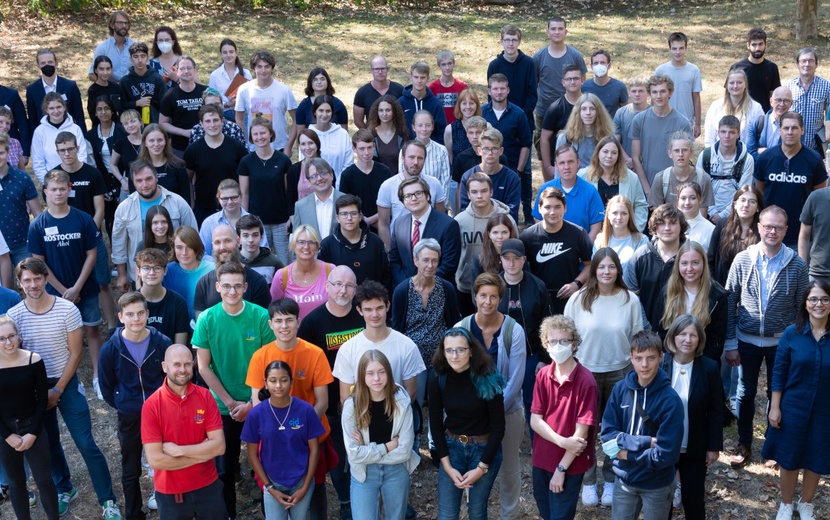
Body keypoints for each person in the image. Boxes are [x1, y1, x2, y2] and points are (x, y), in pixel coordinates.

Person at [8, 258, 123, 519]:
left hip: (66, 383)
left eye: (38, 278)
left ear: (46, 279)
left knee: (85, 442)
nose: (33, 284)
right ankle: (64, 488)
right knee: (49, 445)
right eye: (27, 280)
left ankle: (107, 500)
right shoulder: (15, 316)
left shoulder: (66, 309)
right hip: (33, 390)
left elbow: (75, 354)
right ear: (19, 283)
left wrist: (58, 390)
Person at [725, 205, 808, 470]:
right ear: (758, 227)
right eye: (767, 226)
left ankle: (773, 445)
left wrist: (795, 345)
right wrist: (730, 343)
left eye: (778, 227)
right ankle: (744, 443)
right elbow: (730, 302)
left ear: (786, 230)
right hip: (746, 340)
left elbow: (801, 309)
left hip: (781, 344)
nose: (772, 231)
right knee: (745, 392)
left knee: (777, 394)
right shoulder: (742, 259)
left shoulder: (797, 265)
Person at [192, 261, 275, 520]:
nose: (232, 291)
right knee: (224, 469)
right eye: (226, 286)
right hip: (222, 406)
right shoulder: (207, 318)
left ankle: (269, 512)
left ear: (245, 287)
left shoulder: (261, 316)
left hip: (259, 403)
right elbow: (203, 367)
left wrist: (251, 404)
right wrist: (230, 403)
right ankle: (227, 514)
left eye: (237, 286)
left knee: (265, 464)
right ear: (217, 287)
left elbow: (270, 366)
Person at [564, 248, 643, 507]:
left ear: (618, 269)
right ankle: (588, 481)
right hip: (586, 373)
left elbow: (637, 339)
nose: (606, 272)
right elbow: (566, 337)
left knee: (613, 430)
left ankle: (610, 479)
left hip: (620, 372)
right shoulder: (578, 299)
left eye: (611, 267)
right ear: (594, 270)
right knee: (585, 430)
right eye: (601, 267)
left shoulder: (629, 300)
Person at [245, 299, 333, 519]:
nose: (284, 326)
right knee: (272, 489)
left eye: (289, 320)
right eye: (279, 321)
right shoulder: (260, 357)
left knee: (315, 486)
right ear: (270, 324)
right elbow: (257, 403)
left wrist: (303, 430)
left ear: (298, 322)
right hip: (273, 439)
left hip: (310, 435)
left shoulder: (315, 353)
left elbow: (322, 401)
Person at [297, 266, 366, 520]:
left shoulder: (363, 316)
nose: (343, 290)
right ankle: (346, 500)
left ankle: (369, 495)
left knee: (367, 447)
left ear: (355, 290)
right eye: (338, 284)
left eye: (349, 286)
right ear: (327, 286)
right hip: (330, 403)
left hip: (366, 398)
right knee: (338, 454)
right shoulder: (313, 323)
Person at [28, 170, 105, 391]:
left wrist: (77, 287)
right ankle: (71, 380)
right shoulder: (38, 225)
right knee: (62, 337)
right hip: (54, 292)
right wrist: (64, 291)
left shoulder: (83, 219)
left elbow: (92, 254)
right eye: (54, 189)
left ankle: (98, 377)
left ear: (69, 190)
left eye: (63, 188)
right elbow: (38, 263)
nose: (58, 193)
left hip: (85, 287)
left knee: (91, 330)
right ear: (45, 192)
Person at [98, 292, 172, 520]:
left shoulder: (162, 343)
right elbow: (106, 384)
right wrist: (123, 403)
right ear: (120, 317)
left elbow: (171, 379)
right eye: (130, 314)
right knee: (130, 468)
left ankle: (168, 505)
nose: (136, 319)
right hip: (129, 415)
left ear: (148, 314)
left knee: (164, 460)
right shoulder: (111, 349)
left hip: (160, 413)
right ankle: (133, 513)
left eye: (141, 313)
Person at [458, 273, 526, 519]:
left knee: (509, 468)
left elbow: (516, 379)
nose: (488, 301)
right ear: (474, 297)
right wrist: (475, 413)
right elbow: (456, 378)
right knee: (473, 467)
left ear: (500, 298)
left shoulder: (513, 331)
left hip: (508, 411)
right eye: (483, 295)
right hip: (471, 416)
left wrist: (494, 414)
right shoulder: (461, 329)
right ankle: (475, 513)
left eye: (493, 296)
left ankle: (509, 515)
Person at [599, 330, 683, 519]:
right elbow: (607, 439)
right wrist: (646, 442)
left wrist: (625, 452)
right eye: (638, 358)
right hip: (624, 481)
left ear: (661, 357)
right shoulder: (620, 389)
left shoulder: (670, 401)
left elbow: (665, 455)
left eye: (650, 358)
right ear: (631, 358)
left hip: (657, 485)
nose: (644, 365)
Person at [764, 281, 829, 519]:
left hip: (825, 408)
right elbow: (778, 374)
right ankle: (786, 504)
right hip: (793, 406)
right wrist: (775, 406)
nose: (818, 304)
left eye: (824, 299)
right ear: (805, 303)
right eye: (813, 299)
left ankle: (806, 504)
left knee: (816, 456)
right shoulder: (792, 333)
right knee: (789, 457)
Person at [140, 344, 227, 520]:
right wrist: (202, 453)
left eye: (187, 364)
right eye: (177, 364)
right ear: (165, 367)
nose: (183, 370)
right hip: (171, 492)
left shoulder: (205, 396)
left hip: (208, 486)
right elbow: (156, 460)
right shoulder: (151, 405)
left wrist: (181, 451)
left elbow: (219, 447)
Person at [428, 327, 505, 520]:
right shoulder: (438, 378)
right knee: (447, 514)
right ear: (443, 352)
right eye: (449, 350)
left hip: (483, 449)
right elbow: (436, 426)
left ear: (471, 351)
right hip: (452, 448)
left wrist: (481, 468)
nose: (454, 356)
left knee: (477, 512)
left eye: (460, 350)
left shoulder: (488, 378)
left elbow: (498, 428)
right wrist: (447, 466)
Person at [530, 315, 598, 519]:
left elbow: (580, 437)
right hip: (541, 459)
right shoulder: (543, 375)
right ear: (545, 344)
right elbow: (535, 420)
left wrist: (561, 469)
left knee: (560, 516)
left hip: (568, 465)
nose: (558, 346)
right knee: (546, 513)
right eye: (553, 341)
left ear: (574, 344)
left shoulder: (586, 382)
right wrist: (561, 440)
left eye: (564, 341)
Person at [54, 131, 118, 338]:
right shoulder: (55, 176)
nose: (67, 153)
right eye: (62, 150)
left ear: (77, 148)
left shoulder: (91, 173)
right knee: (72, 284)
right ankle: (75, 329)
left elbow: (99, 209)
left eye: (70, 148)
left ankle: (112, 324)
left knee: (103, 282)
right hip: (66, 242)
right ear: (57, 152)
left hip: (92, 239)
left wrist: (89, 235)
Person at [342, 349, 420, 520]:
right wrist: (389, 446)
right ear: (362, 376)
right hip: (364, 472)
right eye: (370, 373)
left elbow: (405, 450)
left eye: (381, 372)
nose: (376, 378)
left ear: (388, 372)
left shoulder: (401, 399)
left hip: (396, 470)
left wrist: (367, 450)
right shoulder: (352, 405)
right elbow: (354, 455)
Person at [243, 360, 324, 520]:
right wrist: (270, 488)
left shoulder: (306, 410)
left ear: (291, 382)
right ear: (265, 383)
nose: (278, 385)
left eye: (284, 380)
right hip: (272, 481)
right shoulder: (256, 414)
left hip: (301, 481)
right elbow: (252, 455)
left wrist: (305, 486)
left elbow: (315, 450)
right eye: (273, 380)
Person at [660, 315, 723, 518]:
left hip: (695, 446)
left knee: (694, 499)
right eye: (682, 334)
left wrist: (714, 446)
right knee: (662, 499)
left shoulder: (710, 368)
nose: (687, 339)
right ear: (673, 337)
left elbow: (716, 410)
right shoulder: (660, 365)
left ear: (699, 340)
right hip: (662, 446)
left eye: (693, 335)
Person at [0, 316, 59, 520]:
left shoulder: (33, 359)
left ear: (18, 336)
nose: (8, 342)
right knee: (16, 483)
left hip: (32, 427)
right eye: (1, 338)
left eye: (11, 336)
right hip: (5, 432)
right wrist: (7, 435)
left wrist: (33, 433)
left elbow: (42, 398)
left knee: (44, 480)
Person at [391, 239, 461, 406]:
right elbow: (397, 329)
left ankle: (437, 432)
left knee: (441, 402)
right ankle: (415, 431)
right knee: (414, 401)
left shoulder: (446, 288)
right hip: (414, 359)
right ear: (416, 261)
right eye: (425, 260)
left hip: (440, 357)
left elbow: (454, 324)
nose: (430, 265)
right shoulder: (402, 291)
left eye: (434, 260)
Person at [112, 160, 197, 292]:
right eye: (139, 181)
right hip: (140, 277)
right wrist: (122, 275)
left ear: (156, 177)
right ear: (133, 182)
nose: (144, 185)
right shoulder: (124, 208)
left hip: (177, 276)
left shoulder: (177, 202)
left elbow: (193, 236)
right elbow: (119, 244)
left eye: (148, 179)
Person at [755, 111, 827, 249]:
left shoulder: (814, 160)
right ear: (780, 130)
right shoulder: (766, 158)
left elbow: (819, 198)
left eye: (794, 128)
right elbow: (760, 192)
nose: (790, 132)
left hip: (801, 235)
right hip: (770, 232)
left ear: (802, 130)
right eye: (786, 128)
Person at [522, 186, 593, 314]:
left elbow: (590, 265)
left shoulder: (578, 234)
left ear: (565, 208)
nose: (552, 212)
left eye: (557, 207)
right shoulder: (528, 236)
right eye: (547, 207)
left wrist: (576, 284)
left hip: (569, 300)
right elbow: (519, 267)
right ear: (539, 208)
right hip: (537, 300)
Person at [655, 241, 728, 364]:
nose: (689, 269)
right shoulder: (667, 293)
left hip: (704, 362)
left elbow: (716, 340)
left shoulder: (717, 296)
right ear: (678, 265)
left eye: (695, 263)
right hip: (671, 361)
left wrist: (703, 367)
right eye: (684, 263)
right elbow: (661, 332)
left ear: (704, 264)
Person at [455, 172, 516, 313]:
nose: (479, 196)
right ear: (468, 194)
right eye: (474, 192)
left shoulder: (506, 219)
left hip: (501, 286)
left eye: (484, 191)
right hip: (465, 285)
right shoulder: (459, 221)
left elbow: (515, 249)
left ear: (491, 192)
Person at [623, 204, 688, 330]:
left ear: (681, 226)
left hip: (684, 335)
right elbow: (631, 296)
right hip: (647, 334)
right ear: (654, 227)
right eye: (662, 223)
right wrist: (646, 328)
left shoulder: (691, 256)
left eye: (673, 223)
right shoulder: (640, 257)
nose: (667, 228)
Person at [238, 116, 292, 264]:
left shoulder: (283, 160)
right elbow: (244, 193)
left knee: (283, 262)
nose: (259, 137)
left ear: (271, 134)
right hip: (257, 222)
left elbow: (289, 192)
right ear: (251, 137)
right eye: (255, 134)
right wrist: (245, 219)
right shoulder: (246, 162)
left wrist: (290, 217)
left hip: (281, 221)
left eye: (263, 133)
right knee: (258, 261)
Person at [389, 176, 461, 287]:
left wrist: (421, 284)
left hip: (437, 290)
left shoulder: (448, 225)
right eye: (407, 196)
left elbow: (449, 265)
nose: (413, 198)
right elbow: (395, 261)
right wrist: (408, 285)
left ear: (427, 196)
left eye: (418, 193)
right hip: (405, 289)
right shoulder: (399, 224)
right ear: (403, 201)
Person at [376, 140, 447, 250]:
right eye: (411, 157)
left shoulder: (434, 184)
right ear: (403, 158)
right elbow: (383, 224)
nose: (415, 162)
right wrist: (389, 253)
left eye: (420, 158)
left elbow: (441, 219)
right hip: (399, 246)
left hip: (429, 247)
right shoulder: (388, 186)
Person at [185, 104, 249, 225]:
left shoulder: (237, 147)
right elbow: (187, 180)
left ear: (222, 121)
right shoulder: (193, 150)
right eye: (208, 121)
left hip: (232, 209)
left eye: (215, 120)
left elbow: (245, 183)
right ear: (201, 123)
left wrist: (243, 210)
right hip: (203, 210)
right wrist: (193, 206)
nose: (212, 125)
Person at [532, 16, 587, 156]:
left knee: (573, 151)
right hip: (544, 111)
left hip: (571, 111)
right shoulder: (539, 57)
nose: (557, 32)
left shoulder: (575, 55)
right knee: (544, 151)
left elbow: (582, 80)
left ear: (566, 32)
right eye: (553, 29)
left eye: (560, 29)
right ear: (547, 32)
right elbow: (533, 83)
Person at [630, 74, 693, 195]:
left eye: (663, 91)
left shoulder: (682, 122)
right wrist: (648, 190)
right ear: (649, 94)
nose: (658, 96)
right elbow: (635, 158)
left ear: (671, 92)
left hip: (674, 188)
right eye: (655, 92)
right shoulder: (639, 120)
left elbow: (685, 157)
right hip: (646, 185)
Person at [482, 74, 532, 221]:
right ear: (489, 91)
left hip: (511, 168)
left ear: (508, 90)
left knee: (510, 210)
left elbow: (526, 144)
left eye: (502, 88)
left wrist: (519, 170)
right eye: (495, 89)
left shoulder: (518, 114)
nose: (499, 92)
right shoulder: (482, 113)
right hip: (488, 168)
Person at [192, 224, 272, 317]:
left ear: (238, 241)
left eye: (227, 241)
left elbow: (261, 321)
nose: (222, 247)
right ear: (212, 245)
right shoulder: (204, 283)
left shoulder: (257, 282)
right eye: (217, 242)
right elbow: (201, 322)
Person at [532, 145, 604, 240]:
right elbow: (538, 218)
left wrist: (585, 248)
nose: (567, 167)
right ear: (556, 166)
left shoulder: (590, 191)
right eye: (562, 163)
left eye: (570, 162)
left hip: (580, 248)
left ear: (578, 163)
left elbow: (596, 227)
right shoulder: (546, 189)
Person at [319, 194, 390, 287]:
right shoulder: (327, 245)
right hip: (339, 299)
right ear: (337, 218)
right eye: (344, 214)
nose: (349, 218)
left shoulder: (376, 242)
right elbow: (322, 280)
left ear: (360, 216)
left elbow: (386, 276)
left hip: (371, 299)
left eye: (353, 213)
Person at [578, 137, 647, 230]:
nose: (609, 156)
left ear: (619, 155)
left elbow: (641, 205)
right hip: (592, 233)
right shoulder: (583, 175)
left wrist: (635, 229)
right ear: (598, 153)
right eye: (605, 151)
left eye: (614, 153)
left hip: (623, 233)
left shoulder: (631, 177)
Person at [235, 50, 298, 152]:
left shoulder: (284, 90)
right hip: (254, 148)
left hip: (279, 147)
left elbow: (296, 119)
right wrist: (246, 142)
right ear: (254, 68)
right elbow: (239, 119)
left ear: (272, 68)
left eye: (267, 66)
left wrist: (289, 147)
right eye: (259, 66)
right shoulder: (244, 90)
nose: (263, 70)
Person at [270, 225, 336, 320]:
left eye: (311, 242)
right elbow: (273, 311)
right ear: (293, 245)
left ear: (317, 246)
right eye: (301, 242)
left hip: (324, 332)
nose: (306, 247)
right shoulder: (281, 276)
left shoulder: (330, 270)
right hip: (294, 334)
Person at [698, 115, 755, 224]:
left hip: (735, 213)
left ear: (738, 134)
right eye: (723, 132)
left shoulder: (747, 160)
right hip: (706, 212)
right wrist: (712, 211)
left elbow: (743, 192)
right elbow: (700, 187)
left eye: (732, 132)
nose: (727, 136)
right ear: (718, 132)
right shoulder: (706, 156)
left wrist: (723, 215)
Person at [458, 128, 521, 222]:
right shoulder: (468, 177)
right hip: (474, 226)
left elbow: (511, 212)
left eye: (494, 148)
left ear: (501, 151)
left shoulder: (512, 179)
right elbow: (464, 210)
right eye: (486, 149)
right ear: (479, 150)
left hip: (501, 228)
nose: (490, 153)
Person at [487, 24, 537, 141]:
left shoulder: (529, 63)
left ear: (519, 42)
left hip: (524, 119)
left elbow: (532, 95)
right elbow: (491, 94)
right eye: (507, 40)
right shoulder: (494, 65)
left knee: (523, 157)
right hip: (499, 120)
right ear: (501, 42)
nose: (510, 44)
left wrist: (520, 116)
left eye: (514, 40)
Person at [647, 131, 714, 216]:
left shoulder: (703, 179)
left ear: (691, 152)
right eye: (676, 151)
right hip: (669, 226)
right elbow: (657, 215)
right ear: (670, 153)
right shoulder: (661, 178)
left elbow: (703, 215)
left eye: (684, 150)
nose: (681, 154)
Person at [0, 133, 42, 268]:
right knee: (5, 288)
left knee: (32, 284)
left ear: (7, 152)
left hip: (22, 243)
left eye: (0, 152)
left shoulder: (22, 177)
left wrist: (40, 240)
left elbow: (37, 212)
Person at [132, 248, 189, 344]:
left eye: (157, 268)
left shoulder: (178, 302)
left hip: (170, 356)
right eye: (146, 268)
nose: (152, 273)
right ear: (139, 272)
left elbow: (180, 345)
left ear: (165, 271)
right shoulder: (129, 303)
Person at [88, 96, 126, 239]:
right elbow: (92, 164)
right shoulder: (90, 135)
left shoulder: (122, 131)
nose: (103, 112)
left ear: (112, 111)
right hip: (102, 181)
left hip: (123, 179)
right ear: (95, 113)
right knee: (110, 221)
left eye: (106, 108)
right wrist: (102, 188)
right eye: (99, 109)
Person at [339, 129, 393, 231]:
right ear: (354, 149)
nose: (366, 152)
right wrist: (362, 220)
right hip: (357, 227)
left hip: (383, 225)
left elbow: (391, 202)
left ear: (374, 146)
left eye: (369, 148)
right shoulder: (347, 175)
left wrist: (370, 220)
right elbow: (345, 205)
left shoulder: (384, 171)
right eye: (362, 149)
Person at [31, 92, 87, 185]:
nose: (56, 111)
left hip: (75, 181)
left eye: (58, 107)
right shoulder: (40, 131)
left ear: (64, 107)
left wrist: (75, 181)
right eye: (51, 108)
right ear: (46, 110)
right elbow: (38, 163)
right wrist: (49, 184)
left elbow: (82, 156)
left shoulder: (75, 129)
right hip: (52, 184)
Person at [539, 65, 584, 182]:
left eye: (576, 78)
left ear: (582, 80)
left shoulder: (589, 105)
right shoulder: (555, 108)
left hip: (586, 163)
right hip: (564, 166)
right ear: (563, 82)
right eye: (569, 79)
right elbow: (544, 138)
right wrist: (548, 166)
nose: (572, 82)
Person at [26, 49, 87, 135]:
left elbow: (79, 116)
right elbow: (33, 120)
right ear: (38, 66)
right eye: (43, 63)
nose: (47, 65)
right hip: (44, 136)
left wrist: (82, 137)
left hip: (68, 134)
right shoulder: (32, 90)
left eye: (50, 62)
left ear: (56, 63)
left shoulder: (70, 86)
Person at [162, 225, 215, 322]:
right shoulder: (167, 271)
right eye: (179, 247)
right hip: (175, 327)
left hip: (205, 326)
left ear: (197, 247)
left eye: (189, 247)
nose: (184, 252)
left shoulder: (212, 269)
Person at [290, 67, 349, 153]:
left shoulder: (338, 105)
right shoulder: (304, 106)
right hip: (312, 151)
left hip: (334, 150)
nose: (319, 82)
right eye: (315, 79)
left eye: (322, 79)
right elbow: (300, 135)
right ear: (311, 82)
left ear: (328, 82)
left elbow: (344, 134)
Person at [654, 32, 701, 138]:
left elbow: (696, 97)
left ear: (686, 48)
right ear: (670, 49)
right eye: (674, 48)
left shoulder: (694, 70)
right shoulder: (661, 70)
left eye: (681, 48)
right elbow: (654, 97)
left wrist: (697, 124)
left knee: (683, 153)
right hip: (664, 120)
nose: (678, 52)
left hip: (686, 121)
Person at [199, 179, 262, 255]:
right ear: (219, 199)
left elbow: (263, 250)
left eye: (234, 197)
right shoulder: (209, 223)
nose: (230, 202)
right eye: (225, 198)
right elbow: (203, 253)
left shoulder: (255, 221)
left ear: (241, 196)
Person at [704, 68, 764, 147]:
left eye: (739, 82)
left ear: (745, 84)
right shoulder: (716, 106)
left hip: (747, 154)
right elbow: (709, 136)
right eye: (731, 83)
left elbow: (761, 135)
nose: (735, 86)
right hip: (719, 153)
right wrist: (712, 154)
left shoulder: (756, 107)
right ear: (726, 85)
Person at [786, 48, 830, 155]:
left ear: (816, 65)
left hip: (815, 147)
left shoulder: (826, 86)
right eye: (803, 61)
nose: (807, 64)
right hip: (793, 146)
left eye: (811, 61)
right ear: (797, 64)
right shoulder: (789, 86)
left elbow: (829, 115)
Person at [159, 55, 206, 155]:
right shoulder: (170, 95)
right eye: (182, 68)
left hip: (205, 144)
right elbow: (162, 123)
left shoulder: (205, 92)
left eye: (189, 68)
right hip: (180, 148)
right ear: (177, 71)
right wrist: (183, 132)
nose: (186, 71)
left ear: (195, 70)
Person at [554, 93, 615, 170]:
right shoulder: (565, 138)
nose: (588, 113)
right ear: (578, 112)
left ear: (599, 112)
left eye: (592, 109)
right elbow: (559, 171)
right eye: (583, 109)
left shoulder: (608, 138)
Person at [399, 110, 450, 197]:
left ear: (432, 127)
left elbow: (445, 181)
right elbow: (402, 178)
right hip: (411, 202)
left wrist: (439, 203)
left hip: (435, 202)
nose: (424, 129)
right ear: (414, 127)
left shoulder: (442, 150)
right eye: (420, 125)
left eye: (428, 125)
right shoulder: (405, 150)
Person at [292, 158, 344, 240]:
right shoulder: (301, 206)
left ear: (331, 175)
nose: (319, 178)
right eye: (314, 176)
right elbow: (297, 241)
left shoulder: (347, 201)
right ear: (309, 181)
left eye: (322, 173)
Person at [731, 28, 782, 113]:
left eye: (760, 44)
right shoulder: (737, 68)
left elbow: (774, 96)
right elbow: (729, 95)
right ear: (748, 45)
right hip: (742, 115)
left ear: (766, 44)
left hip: (765, 116)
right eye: (754, 45)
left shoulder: (772, 68)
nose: (757, 48)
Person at [136, 123, 191, 202]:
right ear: (145, 143)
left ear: (166, 141)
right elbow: (135, 200)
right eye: (151, 140)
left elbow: (185, 198)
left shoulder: (178, 165)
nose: (156, 144)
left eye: (160, 140)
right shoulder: (137, 168)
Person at [306, 95, 353, 183]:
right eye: (321, 110)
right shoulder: (308, 135)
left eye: (328, 111)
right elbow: (305, 164)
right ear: (315, 112)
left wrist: (338, 183)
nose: (324, 114)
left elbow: (348, 163)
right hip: (316, 185)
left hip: (339, 186)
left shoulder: (342, 134)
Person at [398, 61, 447, 144]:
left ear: (427, 78)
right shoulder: (401, 103)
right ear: (411, 77)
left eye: (422, 77)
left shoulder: (435, 104)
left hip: (431, 149)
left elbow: (441, 131)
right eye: (416, 77)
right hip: (407, 149)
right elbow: (397, 130)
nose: (419, 81)